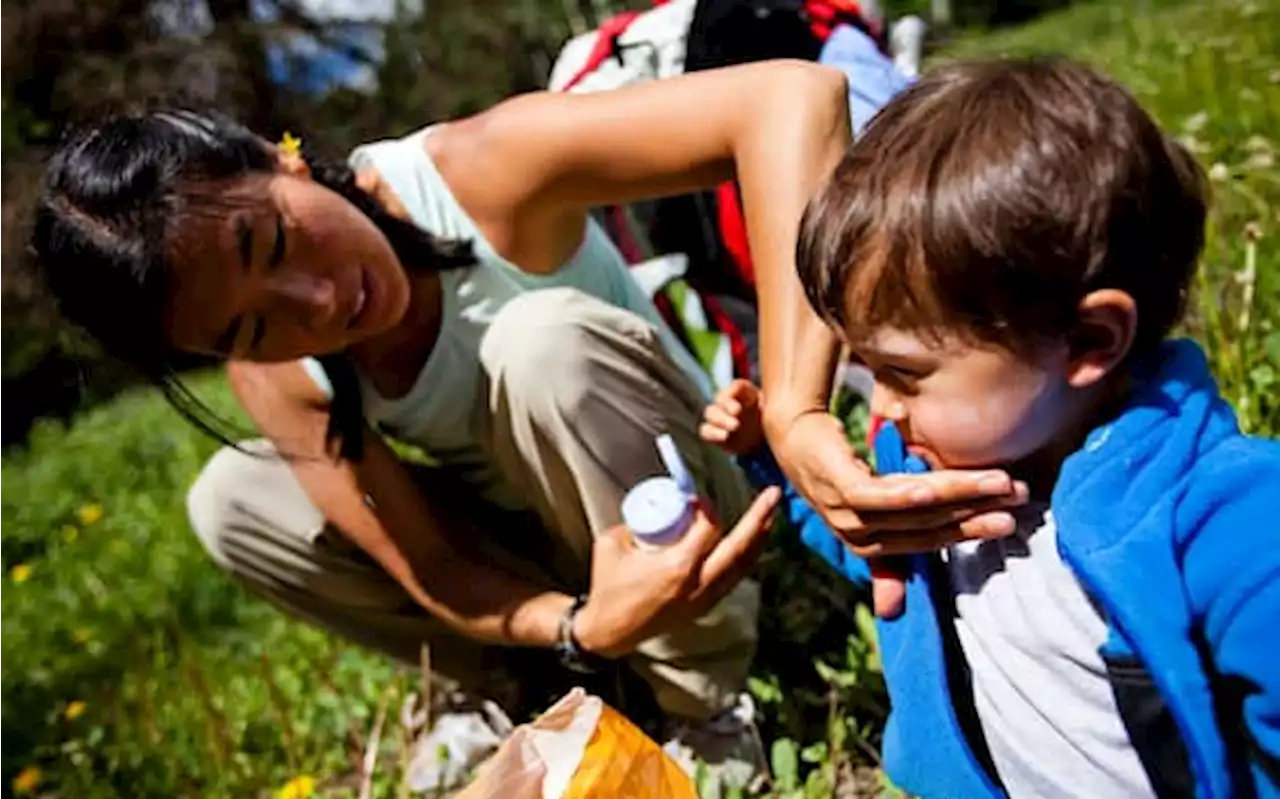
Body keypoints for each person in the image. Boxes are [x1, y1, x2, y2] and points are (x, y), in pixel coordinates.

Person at [31, 58, 1027, 785]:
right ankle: (552, 686)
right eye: (251, 324)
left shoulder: (477, 173)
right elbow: (430, 565)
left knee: (534, 341)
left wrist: (800, 405)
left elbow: (792, 99)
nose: (316, 302)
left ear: (275, 156)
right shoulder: (281, 368)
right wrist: (579, 626)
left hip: (684, 499)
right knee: (232, 499)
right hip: (575, 569)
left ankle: (705, 695)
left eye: (275, 239)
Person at [702, 56, 1280, 799]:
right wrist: (772, 464)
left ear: (1089, 342)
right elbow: (868, 548)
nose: (881, 407)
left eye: (906, 374)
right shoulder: (928, 468)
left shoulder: (1229, 527)